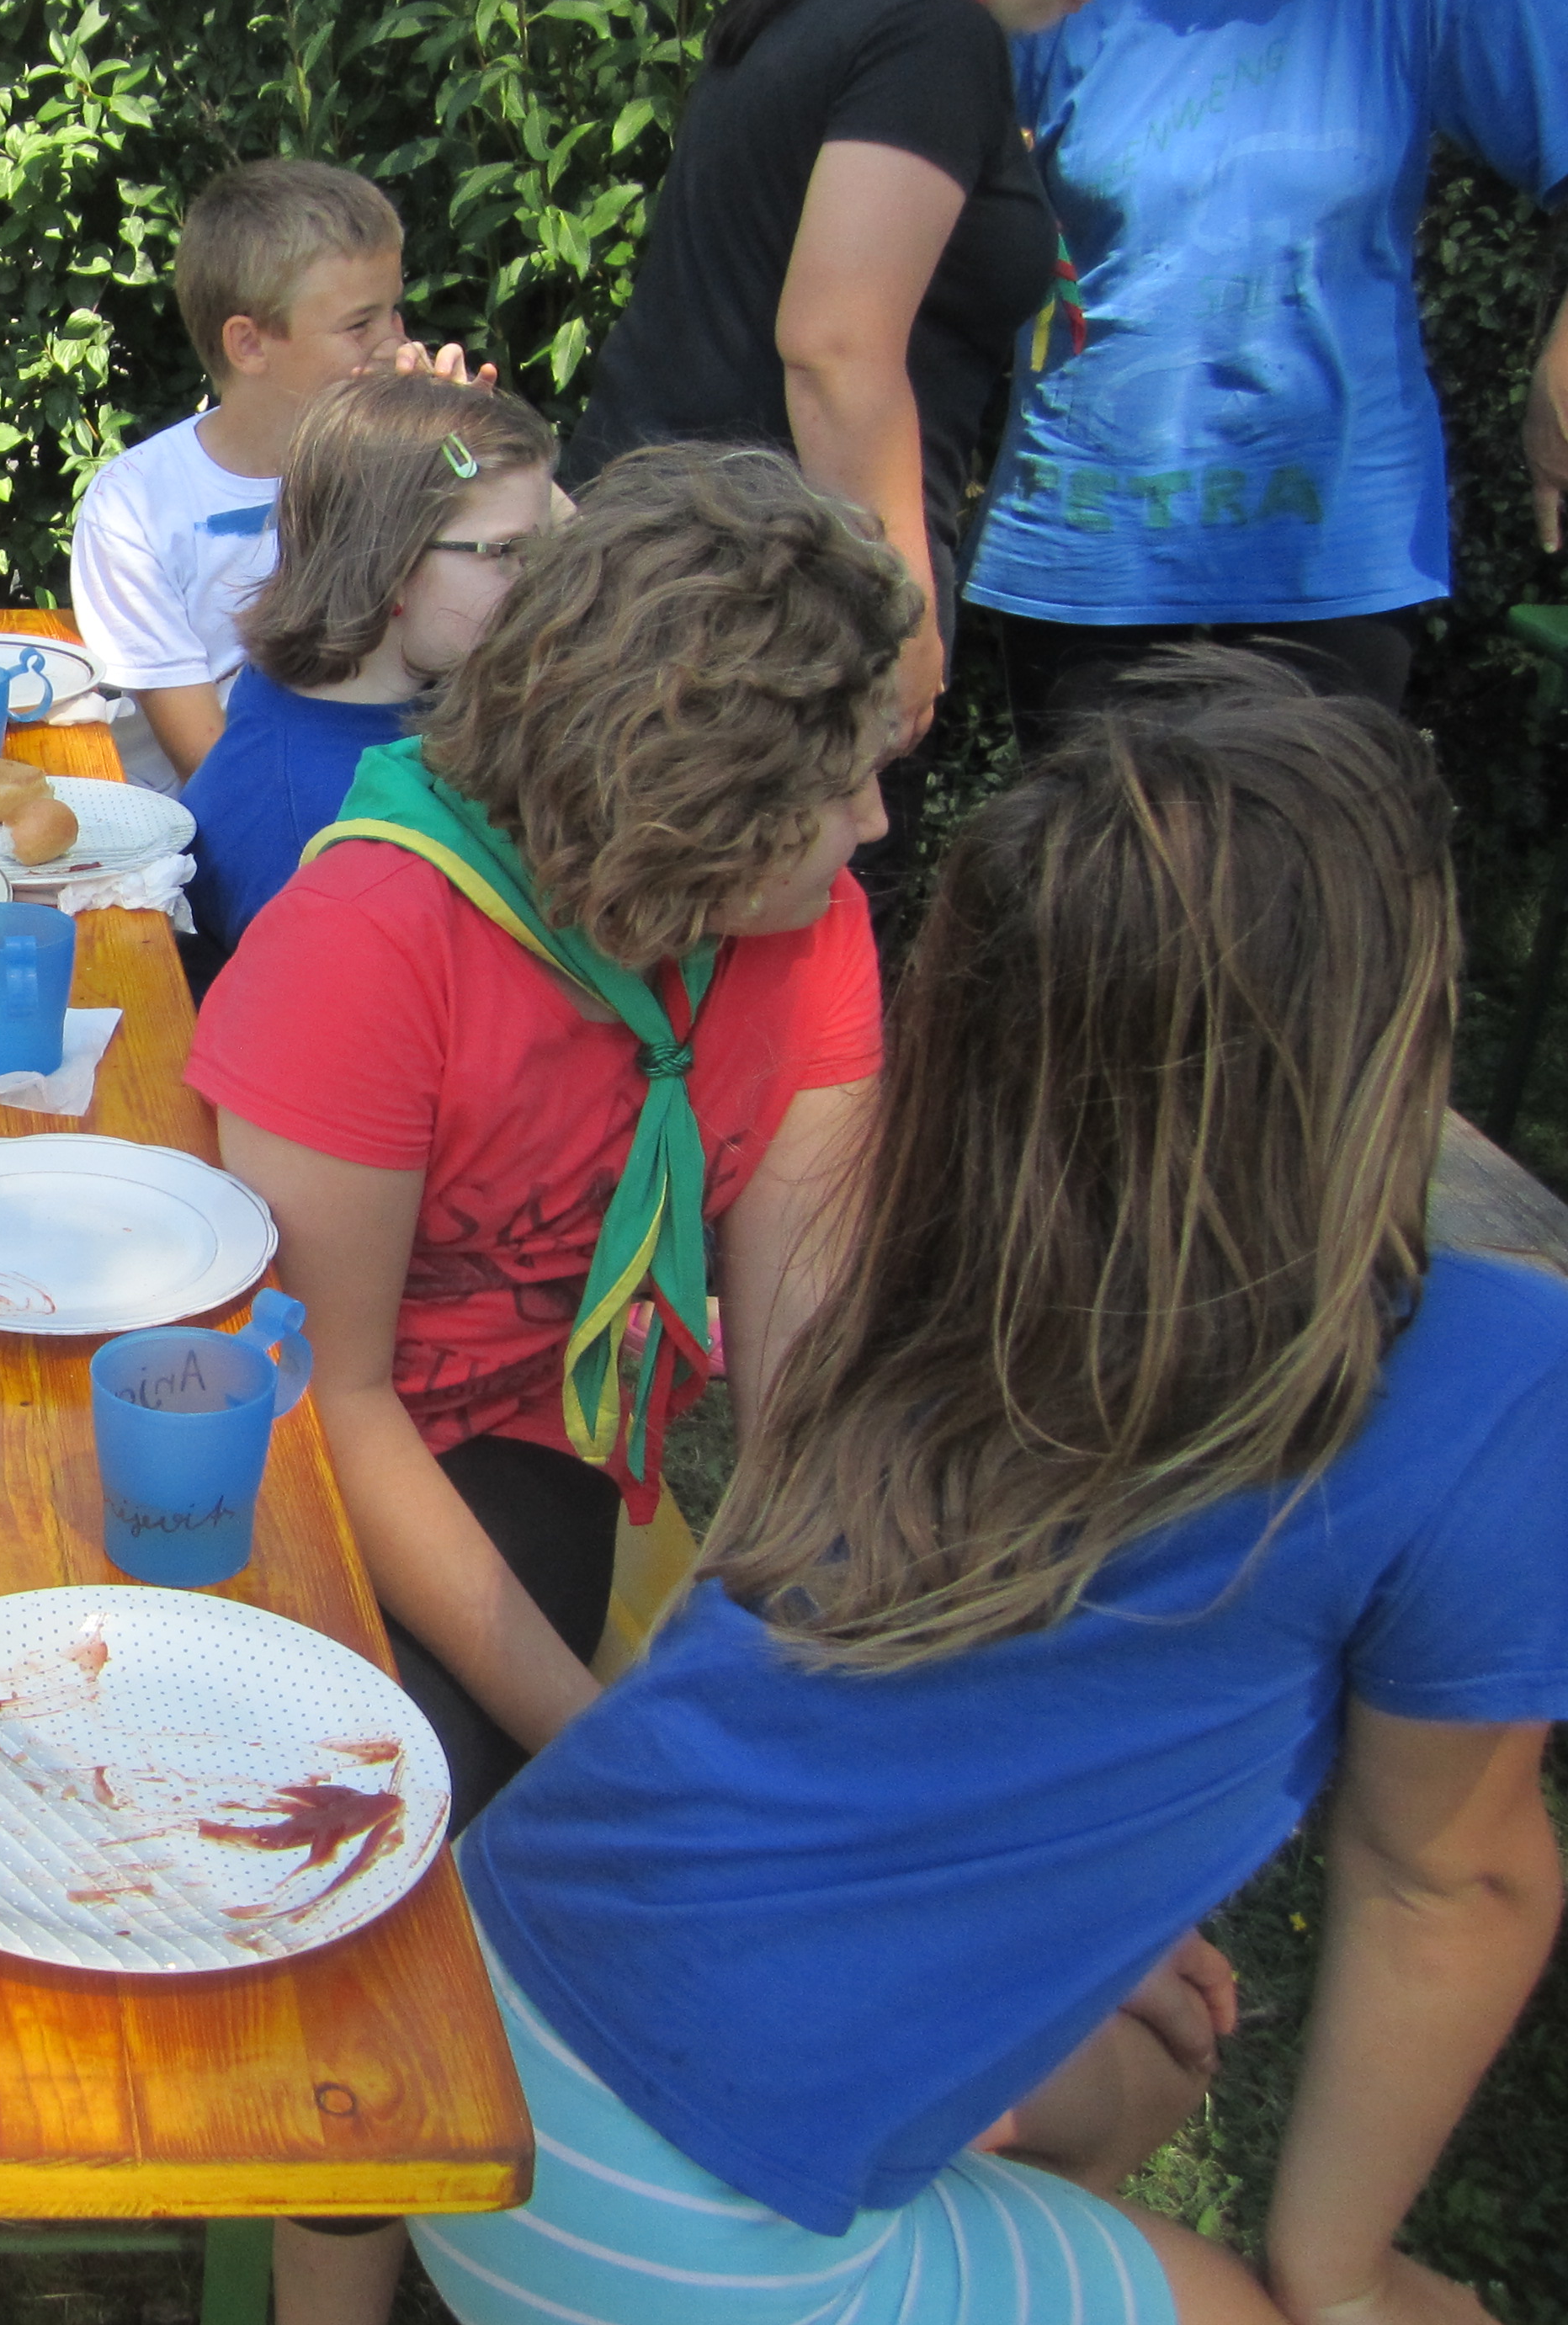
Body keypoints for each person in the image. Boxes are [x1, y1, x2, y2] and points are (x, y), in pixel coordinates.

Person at [407, 656, 1567, 2325]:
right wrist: (1342, 2276)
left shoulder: (951, 1273)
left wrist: (1082, 1933)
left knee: (1144, 2064)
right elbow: (1448, 1878)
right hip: (661, 2218)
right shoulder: (1494, 1369)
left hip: (485, 2006)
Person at [185, 446, 917, 2325]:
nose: (877, 821)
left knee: (839, 1798)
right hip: (314, 1467)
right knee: (395, 1842)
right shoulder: (372, 938)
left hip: (548, 1438)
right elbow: (330, 1402)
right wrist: (606, 1737)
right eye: (840, 781)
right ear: (690, 808)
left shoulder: (806, 925)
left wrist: (808, 1696)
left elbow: (811, 1372)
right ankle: (338, 2266)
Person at [971, 0, 1568, 744]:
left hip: (1330, 568)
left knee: (1312, 869)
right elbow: (931, 196)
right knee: (1099, 869)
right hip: (1091, 560)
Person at [562, 0, 1192, 779]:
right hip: (759, 619)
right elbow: (836, 346)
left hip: (675, 573)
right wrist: (897, 610)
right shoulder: (931, 29)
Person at [68, 160, 482, 792]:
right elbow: (211, 770)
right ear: (249, 345)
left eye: (395, 313)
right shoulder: (135, 507)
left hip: (398, 806)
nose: (396, 345)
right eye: (360, 324)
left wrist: (480, 461)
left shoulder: (411, 469)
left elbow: (564, 604)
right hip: (226, 827)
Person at [179, 372, 556, 965]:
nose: (543, 580)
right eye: (508, 552)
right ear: (393, 567)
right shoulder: (314, 831)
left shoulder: (377, 688)